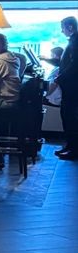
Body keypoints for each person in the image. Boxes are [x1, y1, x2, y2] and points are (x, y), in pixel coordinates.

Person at [49, 15, 78, 160]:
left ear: (70, 27)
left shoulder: (75, 41)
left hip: (72, 86)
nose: (62, 31)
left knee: (70, 117)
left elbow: (74, 65)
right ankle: (70, 145)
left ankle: (74, 149)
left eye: (63, 28)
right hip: (70, 85)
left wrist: (60, 78)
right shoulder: (73, 41)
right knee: (67, 115)